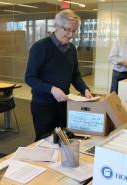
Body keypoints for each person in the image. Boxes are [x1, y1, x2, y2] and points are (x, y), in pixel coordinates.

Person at [25, 9, 93, 141]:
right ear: (56, 26)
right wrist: (51, 89)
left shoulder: (71, 49)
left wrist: (84, 89)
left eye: (74, 30)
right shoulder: (40, 47)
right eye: (67, 29)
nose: (70, 34)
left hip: (63, 104)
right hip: (43, 105)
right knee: (44, 142)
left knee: (63, 141)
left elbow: (75, 74)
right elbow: (30, 78)